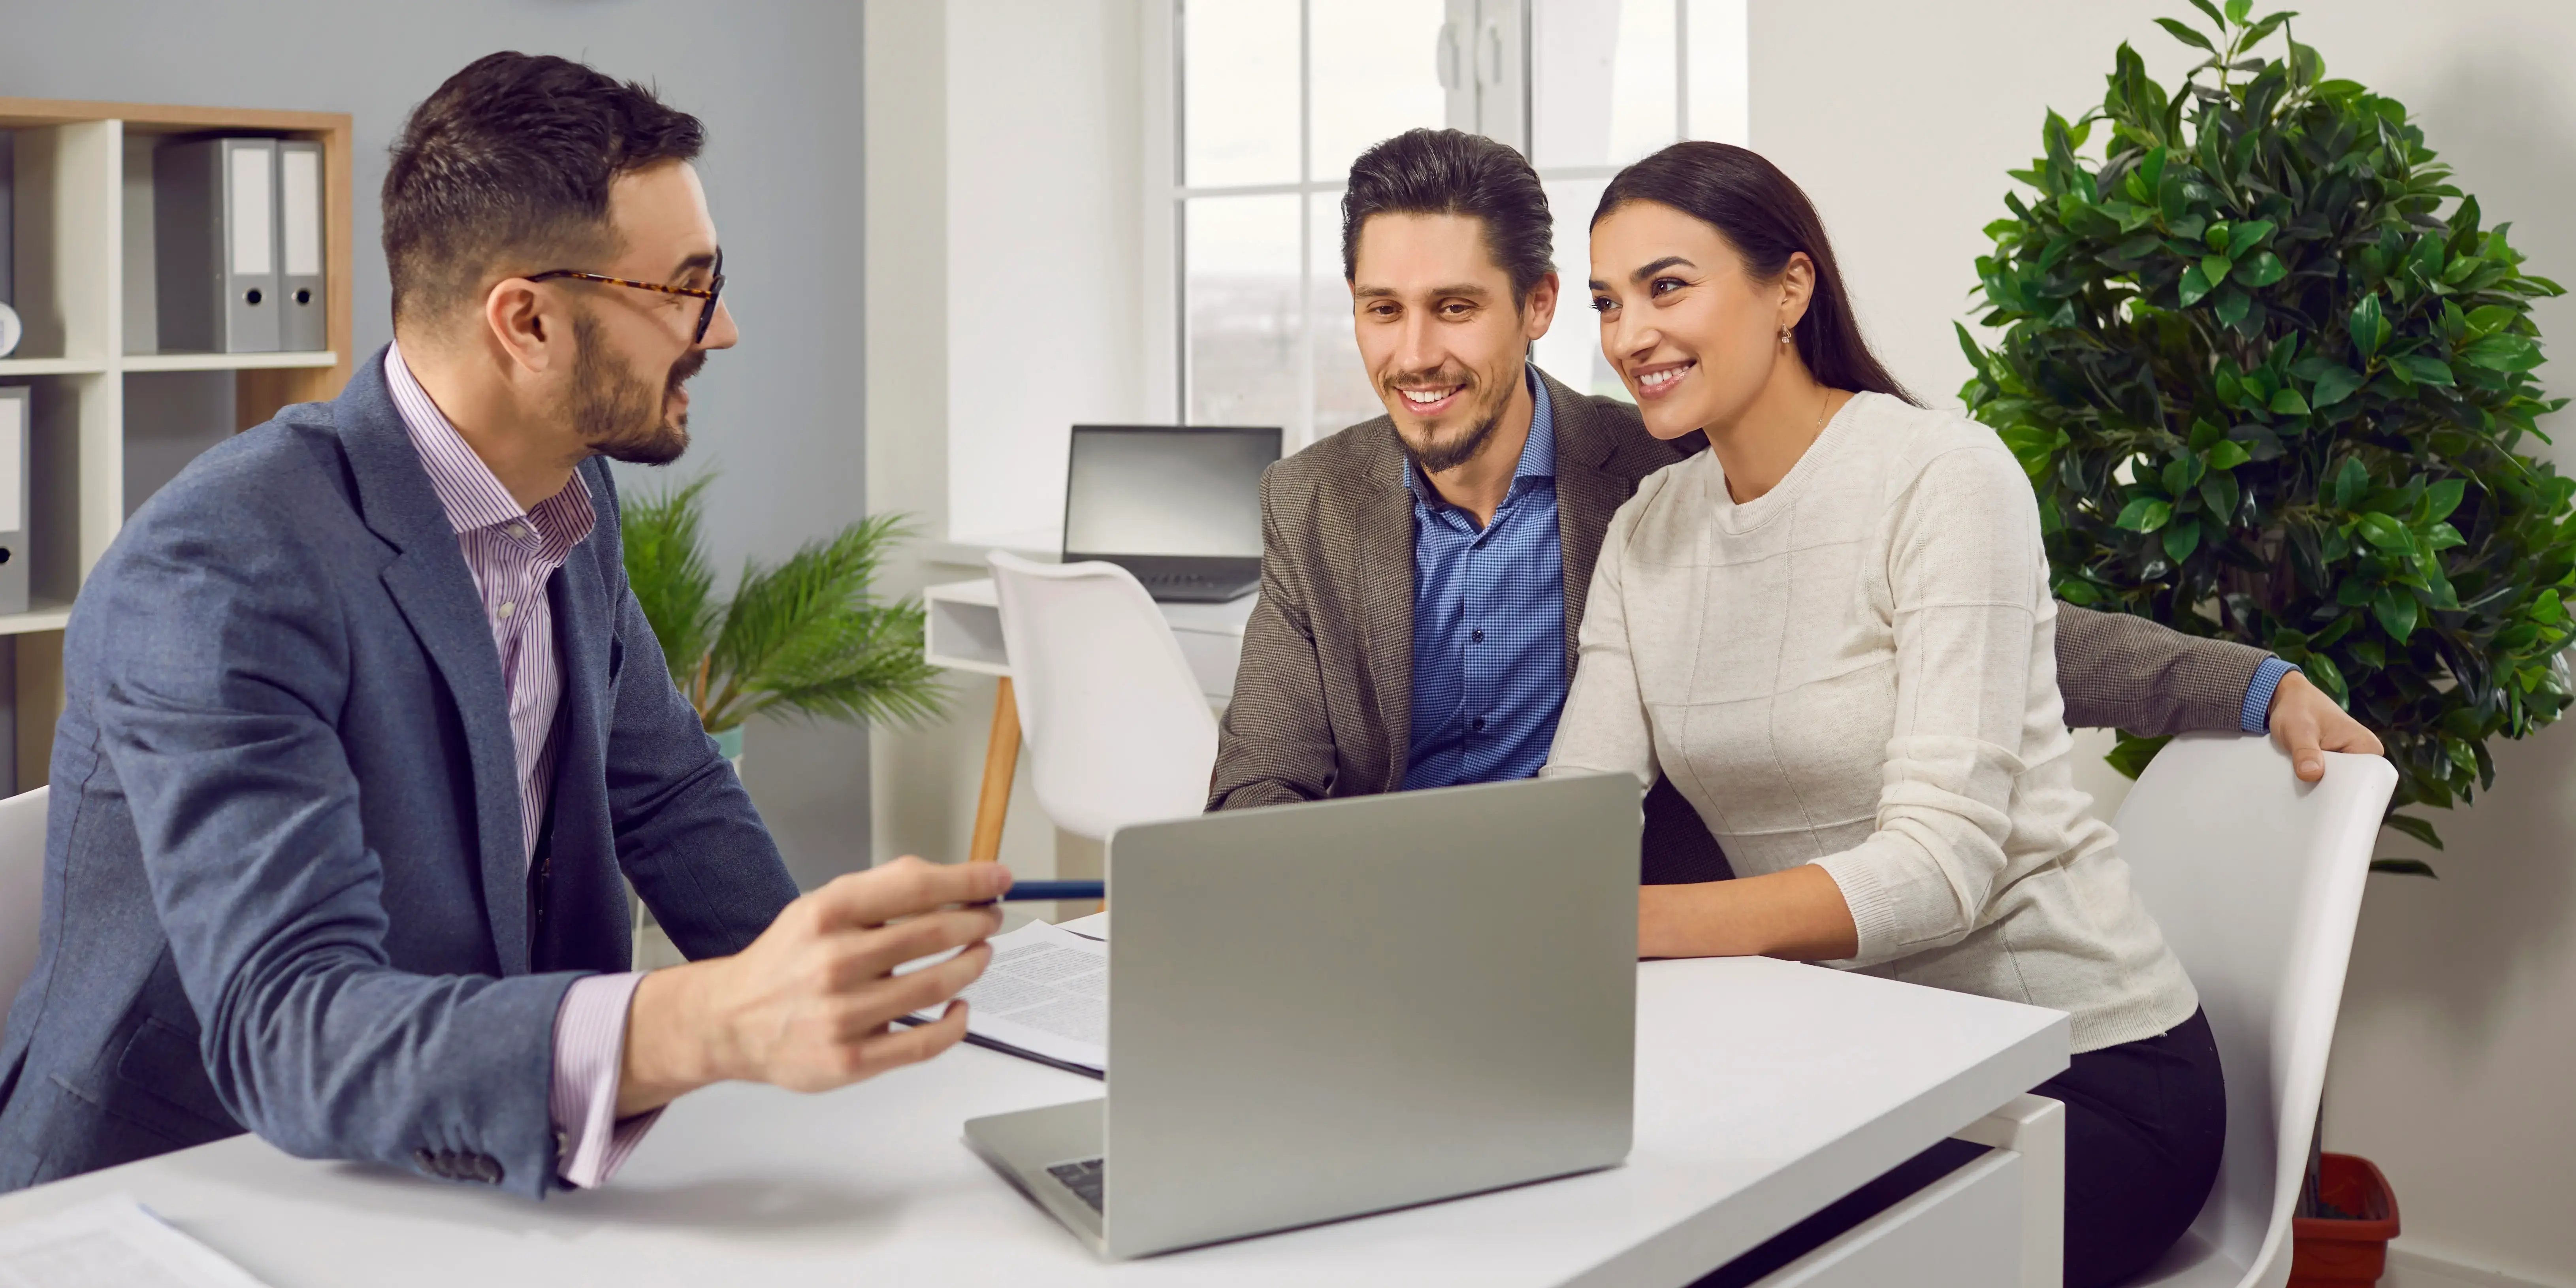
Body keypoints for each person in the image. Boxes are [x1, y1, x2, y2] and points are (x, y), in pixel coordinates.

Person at [0, 53, 1010, 1197]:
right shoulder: (220, 566)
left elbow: (667, 795)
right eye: (688, 285)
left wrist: (853, 1004)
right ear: (526, 322)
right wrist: (703, 1021)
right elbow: (286, 1024)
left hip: (452, 1164)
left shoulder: (564, 500)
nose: (720, 329)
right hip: (182, 1191)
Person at [1207, 128, 2380, 888]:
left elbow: (1970, 620)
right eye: (1381, 309)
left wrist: (2246, 680)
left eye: (1454, 307)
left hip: (1644, 950)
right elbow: (1258, 788)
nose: (1415, 352)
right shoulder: (1312, 502)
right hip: (1388, 933)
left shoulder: (1656, 469)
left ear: (1539, 307)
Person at [1548, 140, 2262, 1286]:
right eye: (1606, 302)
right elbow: (1571, 817)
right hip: (1855, 1064)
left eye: (1666, 286)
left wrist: (1629, 921)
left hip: (2081, 1074)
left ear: (1790, 288)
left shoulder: (1942, 476)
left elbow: (1939, 868)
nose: (1630, 334)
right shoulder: (1647, 530)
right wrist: (1508, 908)